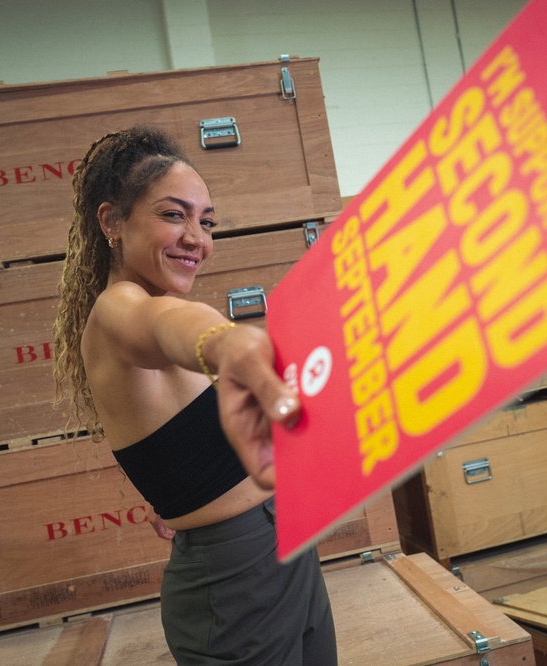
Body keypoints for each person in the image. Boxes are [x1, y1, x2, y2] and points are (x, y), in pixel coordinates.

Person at [52, 125, 337, 665]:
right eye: (172, 215)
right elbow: (169, 325)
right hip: (233, 578)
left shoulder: (149, 310)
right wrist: (225, 343)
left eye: (206, 222)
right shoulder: (120, 309)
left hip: (286, 546)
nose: (196, 238)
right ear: (112, 221)